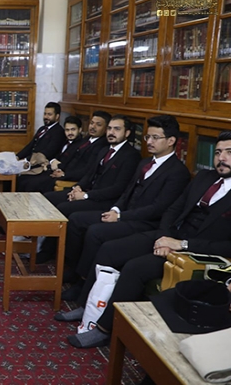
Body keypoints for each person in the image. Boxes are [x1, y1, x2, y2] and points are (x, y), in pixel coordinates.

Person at [59, 131, 231, 349]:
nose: (221, 158)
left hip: (194, 253)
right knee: (109, 249)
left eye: (229, 153)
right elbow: (173, 209)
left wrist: (181, 245)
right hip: (169, 236)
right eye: (218, 152)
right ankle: (88, 308)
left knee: (134, 268)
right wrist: (164, 237)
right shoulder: (205, 177)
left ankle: (103, 329)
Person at [60, 115, 192, 296]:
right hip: (125, 214)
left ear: (171, 141)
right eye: (147, 137)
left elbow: (158, 208)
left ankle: (84, 285)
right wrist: (115, 209)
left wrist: (120, 216)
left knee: (96, 232)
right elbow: (127, 191)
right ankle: (76, 273)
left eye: (155, 138)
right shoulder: (145, 163)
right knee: (78, 219)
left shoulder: (178, 172)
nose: (149, 142)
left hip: (146, 223)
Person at [38, 115, 141, 263]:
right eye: (110, 128)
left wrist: (86, 196)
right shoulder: (104, 150)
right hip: (88, 192)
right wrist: (77, 188)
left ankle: (58, 255)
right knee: (48, 198)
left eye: (117, 129)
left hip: (105, 201)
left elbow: (118, 189)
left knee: (63, 209)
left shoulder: (131, 155)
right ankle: (45, 245)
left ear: (127, 133)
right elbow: (89, 175)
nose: (111, 132)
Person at [17, 115, 85, 193]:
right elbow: (54, 155)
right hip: (51, 169)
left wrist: (58, 167)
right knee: (23, 178)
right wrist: (51, 162)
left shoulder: (81, 146)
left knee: (31, 184)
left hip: (63, 175)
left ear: (80, 130)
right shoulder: (65, 141)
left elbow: (72, 164)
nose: (70, 133)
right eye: (67, 130)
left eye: (73, 130)